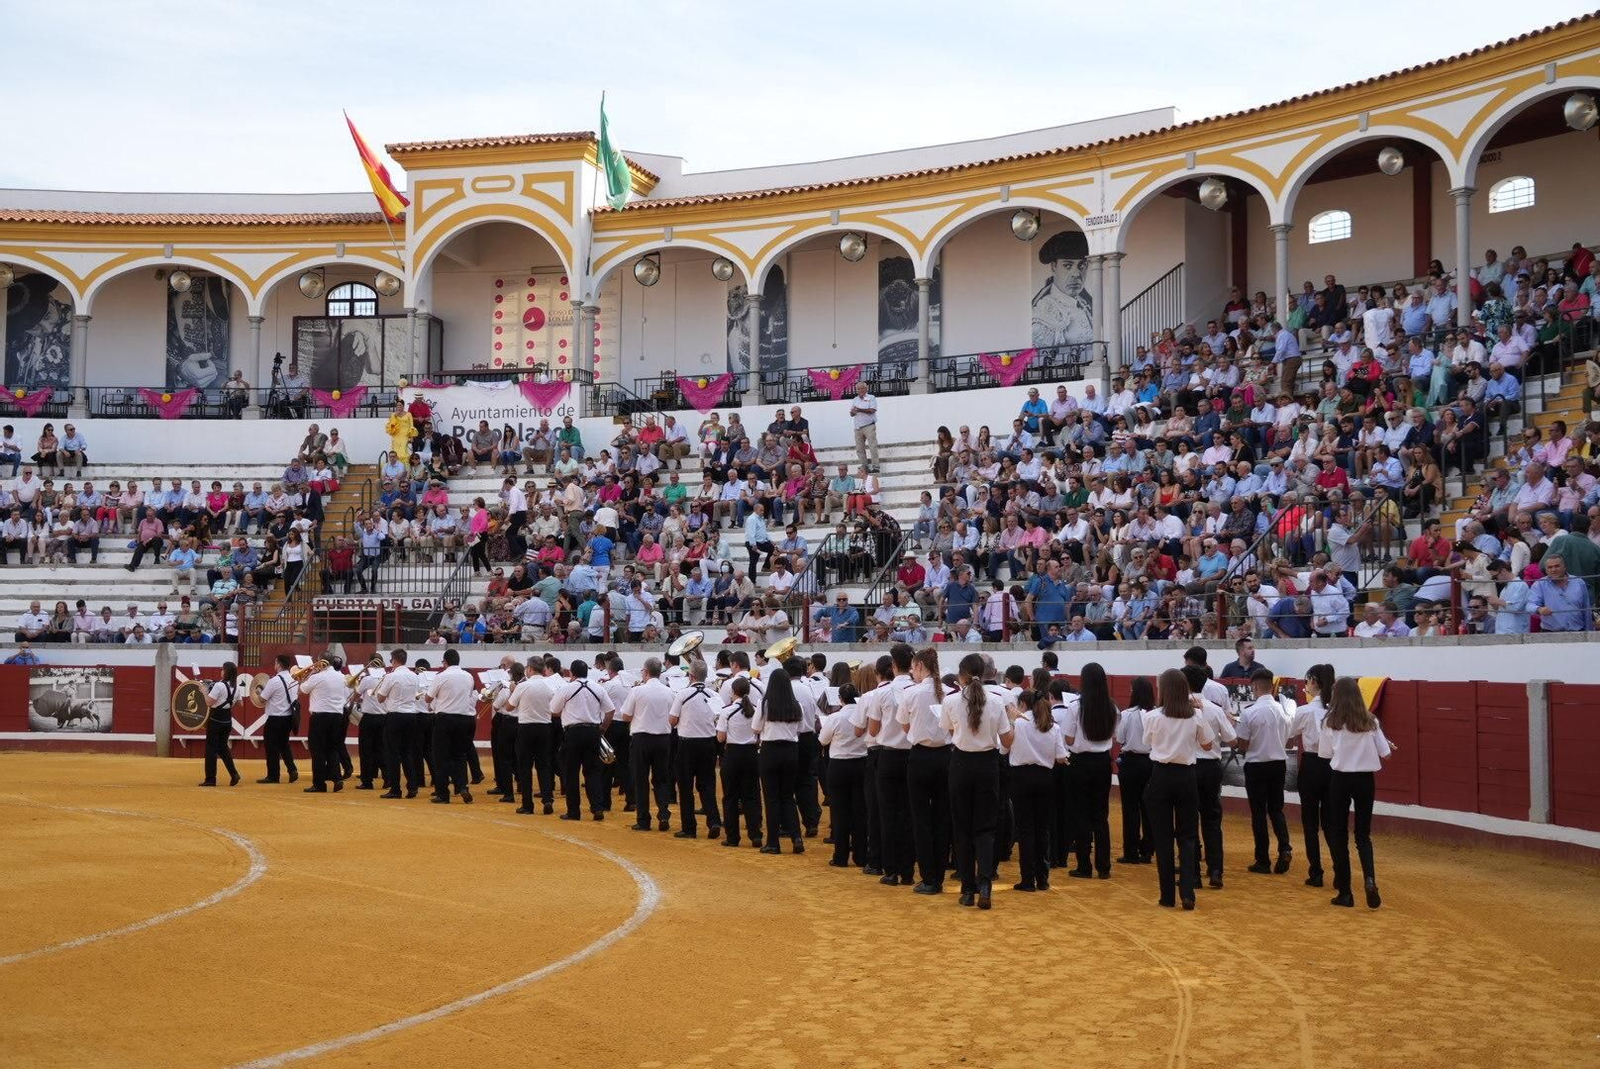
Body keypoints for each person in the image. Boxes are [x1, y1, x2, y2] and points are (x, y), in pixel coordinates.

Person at [939, 652, 1014, 910]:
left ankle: (967, 889)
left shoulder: (951, 701)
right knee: (985, 829)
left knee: (962, 828)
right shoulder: (996, 701)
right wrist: (1012, 720)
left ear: (961, 675)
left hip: (961, 763)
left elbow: (951, 730)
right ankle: (985, 884)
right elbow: (1007, 740)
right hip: (987, 765)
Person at [1144, 668, 1216, 909]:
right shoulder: (1195, 715)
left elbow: (1147, 742)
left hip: (1161, 775)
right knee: (1187, 836)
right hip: (1186, 776)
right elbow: (1207, 745)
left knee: (1163, 838)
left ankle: (1167, 896)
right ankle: (1187, 892)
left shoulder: (1153, 716)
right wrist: (1200, 713)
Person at [1320, 676, 1392, 909]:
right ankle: (1370, 880)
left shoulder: (1330, 721)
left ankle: (1345, 893)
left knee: (1339, 834)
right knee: (1363, 835)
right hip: (1365, 780)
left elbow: (1325, 754)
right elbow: (1386, 754)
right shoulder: (1370, 720)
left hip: (1340, 779)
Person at [897, 646, 950, 895]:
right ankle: (938, 875)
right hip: (946, 757)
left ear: (919, 666)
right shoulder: (949, 692)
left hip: (920, 758)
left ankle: (929, 877)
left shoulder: (911, 693)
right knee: (942, 818)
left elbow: (905, 727)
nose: (912, 673)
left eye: (913, 669)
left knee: (921, 819)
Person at [1008, 686, 1068, 892]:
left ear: (1024, 705)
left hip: (1021, 777)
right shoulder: (1053, 726)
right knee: (1043, 828)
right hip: (1045, 778)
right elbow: (1061, 757)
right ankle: (1043, 878)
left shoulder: (1019, 723)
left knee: (1026, 829)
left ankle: (1028, 879)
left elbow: (1004, 748)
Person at [1235, 666, 1293, 875]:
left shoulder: (1249, 712)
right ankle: (1285, 847)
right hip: (1278, 764)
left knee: (1258, 813)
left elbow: (1243, 745)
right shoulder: (1283, 711)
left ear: (1254, 687)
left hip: (1257, 766)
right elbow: (1290, 740)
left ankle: (1263, 860)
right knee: (1276, 809)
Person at [866, 643, 915, 885]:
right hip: (912, 756)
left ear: (893, 665)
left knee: (888, 814)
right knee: (909, 814)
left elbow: (873, 730)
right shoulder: (917, 689)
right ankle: (908, 871)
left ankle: (891, 870)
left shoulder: (881, 693)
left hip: (888, 756)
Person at [1061, 661, 1116, 879]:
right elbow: (1113, 735)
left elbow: (1068, 739)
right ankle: (1104, 866)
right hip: (1102, 762)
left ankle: (1084, 866)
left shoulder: (1076, 707)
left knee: (1081, 814)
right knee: (1101, 815)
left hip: (1080, 763)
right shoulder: (1112, 707)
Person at [1186, 663, 1236, 889]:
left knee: (1188, 820)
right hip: (1211, 768)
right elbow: (1232, 739)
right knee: (1212, 819)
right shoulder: (1215, 709)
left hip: (1188, 767)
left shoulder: (1178, 709)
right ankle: (1215, 870)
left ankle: (1193, 873)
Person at [1288, 663, 1335, 887]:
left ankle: (1316, 872)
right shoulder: (1337, 710)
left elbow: (1290, 734)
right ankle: (1340, 873)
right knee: (1332, 823)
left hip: (1312, 765)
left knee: (1310, 822)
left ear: (1314, 682)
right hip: (1334, 766)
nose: (1305, 685)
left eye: (1307, 681)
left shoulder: (1305, 711)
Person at [550, 659, 614, 821]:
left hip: (572, 733)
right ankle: (597, 807)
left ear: (572, 673)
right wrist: (603, 729)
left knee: (571, 773)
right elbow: (610, 711)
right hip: (593, 732)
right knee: (593, 772)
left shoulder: (566, 689)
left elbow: (554, 710)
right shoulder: (598, 688)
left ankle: (573, 811)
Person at [620, 658, 677, 833]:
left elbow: (625, 716)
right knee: (662, 779)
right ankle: (664, 813)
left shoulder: (637, 690)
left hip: (641, 738)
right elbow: (674, 717)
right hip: (663, 739)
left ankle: (644, 819)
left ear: (645, 672)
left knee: (640, 779)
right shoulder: (669, 692)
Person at [752, 667, 805, 855]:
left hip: (770, 751)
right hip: (790, 751)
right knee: (788, 796)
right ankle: (796, 837)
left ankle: (773, 842)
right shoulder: (796, 705)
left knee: (772, 798)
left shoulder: (764, 704)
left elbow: (755, 728)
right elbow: (801, 728)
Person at [669, 659, 722, 839]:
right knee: (707, 784)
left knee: (685, 787)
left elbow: (672, 720)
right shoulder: (714, 694)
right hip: (708, 743)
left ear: (690, 676)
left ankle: (689, 827)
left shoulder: (683, 694)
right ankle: (714, 820)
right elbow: (719, 718)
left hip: (687, 744)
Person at [819, 681, 868, 867]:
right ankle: (861, 855)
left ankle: (840, 856)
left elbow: (823, 740)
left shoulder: (835, 717)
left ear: (840, 699)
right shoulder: (864, 716)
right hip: (861, 764)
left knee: (839, 812)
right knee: (860, 811)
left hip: (838, 766)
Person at [715, 675, 763, 848]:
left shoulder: (727, 711)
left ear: (733, 692)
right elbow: (759, 733)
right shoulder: (756, 709)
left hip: (733, 755)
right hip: (751, 755)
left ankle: (733, 837)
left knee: (730, 797)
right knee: (751, 795)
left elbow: (721, 738)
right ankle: (755, 834)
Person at [1113, 675, 1157, 865]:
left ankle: (1131, 851)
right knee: (1149, 807)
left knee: (1130, 807)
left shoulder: (1128, 714)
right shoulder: (1156, 713)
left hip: (1131, 762)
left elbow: (1119, 738)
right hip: (1151, 762)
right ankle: (1147, 850)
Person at [428, 648, 477, 804]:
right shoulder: (468, 676)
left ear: (445, 662)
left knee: (441, 756)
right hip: (463, 718)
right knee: (459, 755)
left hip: (445, 719)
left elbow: (428, 698)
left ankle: (443, 794)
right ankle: (462, 787)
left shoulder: (441, 676)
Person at [510, 655, 557, 814]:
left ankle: (527, 804)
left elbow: (509, 707)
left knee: (525, 767)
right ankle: (547, 799)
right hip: (545, 727)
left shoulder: (523, 686)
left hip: (526, 728)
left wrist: (512, 691)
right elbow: (555, 707)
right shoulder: (549, 685)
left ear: (529, 668)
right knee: (544, 765)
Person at [375, 649, 423, 799]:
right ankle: (412, 786)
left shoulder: (391, 676)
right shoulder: (414, 676)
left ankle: (395, 789)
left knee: (392, 753)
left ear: (394, 660)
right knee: (407, 752)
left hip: (395, 716)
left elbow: (380, 698)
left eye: (391, 661)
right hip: (411, 716)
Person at [298, 658, 349, 794]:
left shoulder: (316, 677)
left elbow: (301, 690)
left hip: (320, 717)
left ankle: (319, 784)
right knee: (333, 749)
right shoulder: (342, 677)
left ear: (320, 663)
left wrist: (309, 674)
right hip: (337, 716)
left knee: (317, 751)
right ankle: (337, 778)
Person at [256, 654, 300, 784]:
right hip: (289, 718)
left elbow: (262, 699)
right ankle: (292, 770)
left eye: (275, 663)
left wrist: (258, 692)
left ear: (279, 665)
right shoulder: (294, 679)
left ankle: (273, 775)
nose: (274, 665)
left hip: (275, 719)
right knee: (284, 745)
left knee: (271, 747)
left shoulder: (274, 681)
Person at [198, 661, 242, 788]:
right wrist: (229, 701)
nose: (221, 671)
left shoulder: (219, 685)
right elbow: (240, 704)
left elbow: (209, 703)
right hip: (227, 720)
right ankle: (234, 774)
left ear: (226, 672)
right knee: (223, 748)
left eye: (222, 669)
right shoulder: (236, 687)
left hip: (216, 720)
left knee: (211, 749)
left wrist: (205, 692)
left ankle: (210, 779)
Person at [849, 380, 880, 472]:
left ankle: (876, 467)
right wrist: (853, 412)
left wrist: (859, 409)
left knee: (872, 447)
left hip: (869, 426)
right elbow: (852, 414)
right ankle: (865, 467)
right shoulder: (855, 399)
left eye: (862, 388)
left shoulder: (871, 397)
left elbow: (872, 410)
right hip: (858, 428)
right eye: (858, 389)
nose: (860, 390)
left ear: (866, 389)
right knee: (859, 449)